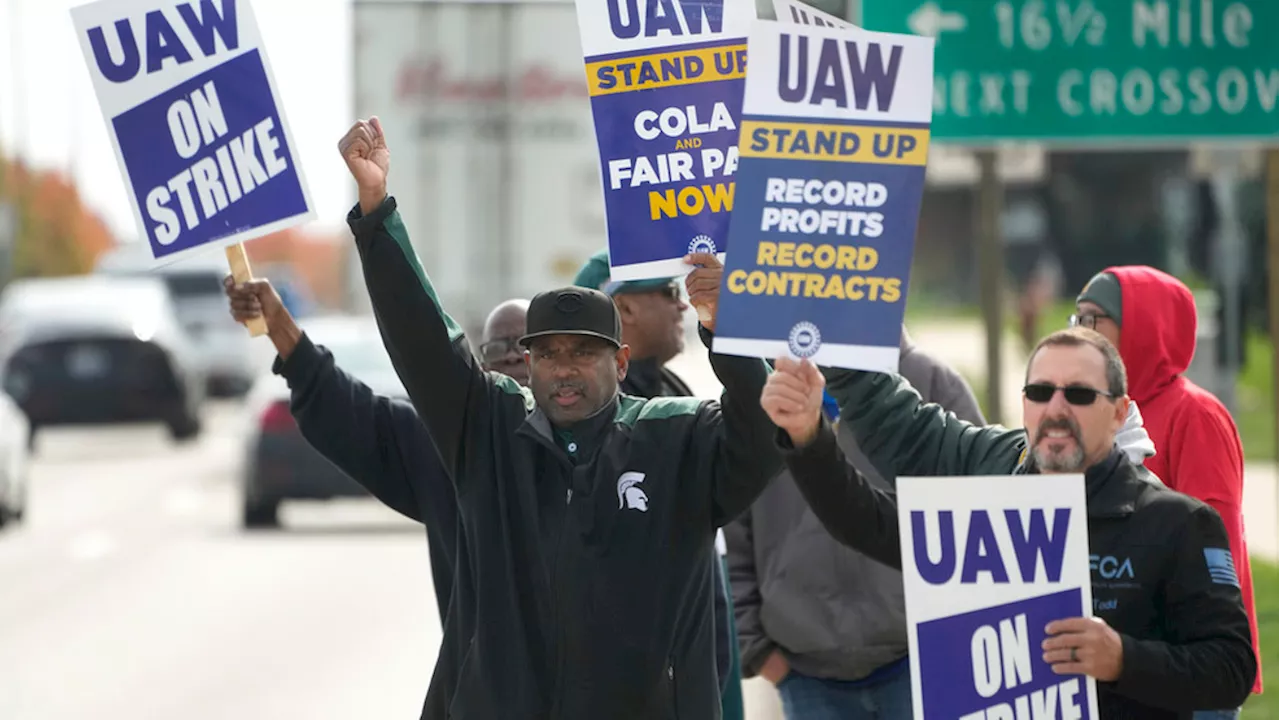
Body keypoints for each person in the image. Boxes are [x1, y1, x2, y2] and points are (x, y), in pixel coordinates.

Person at [339, 116, 781, 719]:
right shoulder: (491, 433)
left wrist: (725, 329)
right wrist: (376, 213)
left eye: (583, 353)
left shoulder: (677, 438)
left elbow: (760, 437)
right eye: (547, 354)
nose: (563, 370)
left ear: (621, 362)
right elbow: (425, 344)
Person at [763, 328, 1256, 719]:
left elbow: (1231, 668)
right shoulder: (986, 506)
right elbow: (864, 522)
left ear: (1119, 412)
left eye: (1080, 395)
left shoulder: (1177, 522)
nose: (1056, 409)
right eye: (1040, 392)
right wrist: (808, 440)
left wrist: (1123, 659)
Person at [223, 276, 530, 622]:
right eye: (498, 347)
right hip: (482, 675)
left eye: (527, 344)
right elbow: (347, 409)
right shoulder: (442, 450)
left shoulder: (594, 450)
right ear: (482, 368)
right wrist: (280, 327)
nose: (515, 356)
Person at [726, 325, 984, 720]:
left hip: (920, 660)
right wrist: (760, 652)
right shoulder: (764, 391)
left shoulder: (930, 378)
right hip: (806, 674)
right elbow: (731, 527)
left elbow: (981, 512)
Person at [1074, 266, 1261, 713]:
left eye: (1093, 319)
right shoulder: (1101, 410)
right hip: (1126, 658)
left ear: (1143, 327)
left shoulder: (1194, 415)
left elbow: (1218, 547)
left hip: (1187, 660)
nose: (1080, 333)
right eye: (1075, 319)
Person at [573, 249, 745, 720]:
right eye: (670, 293)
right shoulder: (586, 419)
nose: (684, 306)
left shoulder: (673, 390)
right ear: (624, 308)